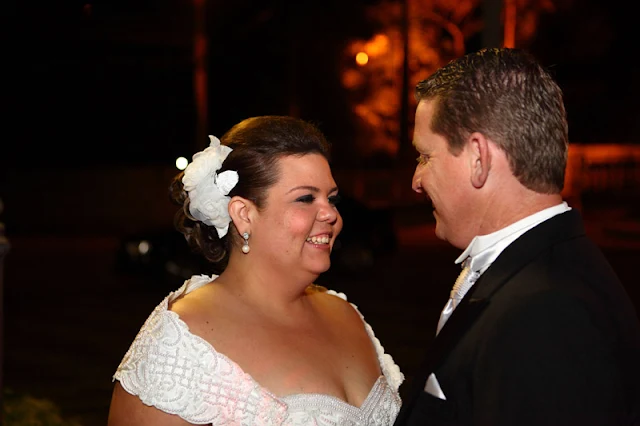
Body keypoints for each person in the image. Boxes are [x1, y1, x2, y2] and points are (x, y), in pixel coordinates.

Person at [394, 47, 640, 426]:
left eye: (425, 156)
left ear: (478, 157)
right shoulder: (547, 269)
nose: (416, 180)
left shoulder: (545, 311)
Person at [107, 115, 404, 426]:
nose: (331, 214)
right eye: (305, 198)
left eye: (331, 199)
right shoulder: (182, 341)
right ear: (244, 214)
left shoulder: (346, 313)